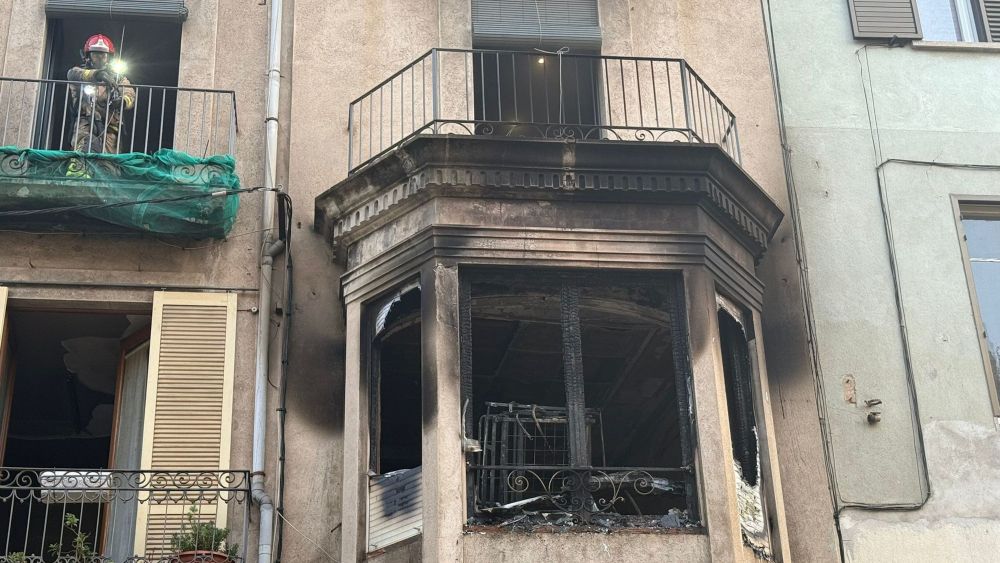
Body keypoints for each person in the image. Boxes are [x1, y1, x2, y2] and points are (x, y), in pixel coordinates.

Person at [67, 34, 135, 156]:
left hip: (110, 128)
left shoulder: (118, 78)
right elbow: (71, 74)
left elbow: (130, 94)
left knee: (108, 162)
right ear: (88, 56)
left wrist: (122, 101)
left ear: (108, 57)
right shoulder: (81, 73)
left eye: (103, 55)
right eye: (95, 54)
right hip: (86, 123)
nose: (99, 58)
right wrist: (97, 74)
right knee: (84, 152)